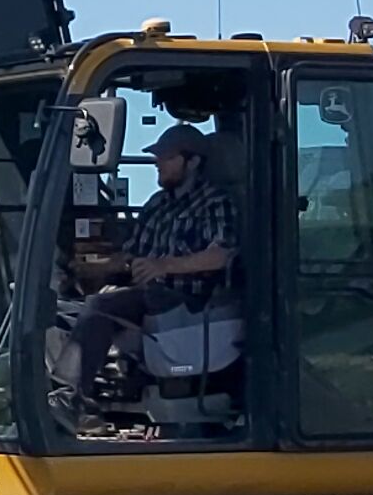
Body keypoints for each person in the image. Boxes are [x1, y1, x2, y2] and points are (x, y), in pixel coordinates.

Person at [57, 123, 240, 429]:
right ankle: (61, 399)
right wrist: (92, 269)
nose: (158, 162)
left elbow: (221, 254)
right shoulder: (157, 204)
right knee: (63, 310)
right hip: (148, 295)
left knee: (102, 306)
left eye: (167, 157)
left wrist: (163, 265)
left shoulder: (214, 202)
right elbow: (130, 256)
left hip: (190, 301)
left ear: (192, 161)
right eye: (158, 156)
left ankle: (70, 400)